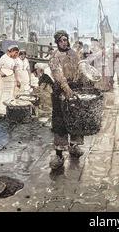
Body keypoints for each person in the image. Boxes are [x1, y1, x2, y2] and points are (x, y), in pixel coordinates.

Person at [49, 30, 87, 169]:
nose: (64, 43)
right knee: (61, 123)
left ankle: (74, 146)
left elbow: (80, 68)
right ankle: (59, 155)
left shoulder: (73, 53)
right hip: (61, 91)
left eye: (65, 40)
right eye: (61, 41)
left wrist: (84, 79)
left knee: (75, 119)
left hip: (75, 88)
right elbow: (57, 74)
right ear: (57, 42)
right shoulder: (55, 56)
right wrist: (66, 89)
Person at [0, 45, 19, 116]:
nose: (16, 55)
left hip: (11, 78)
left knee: (10, 93)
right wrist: (1, 73)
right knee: (1, 94)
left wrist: (17, 80)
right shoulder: (4, 58)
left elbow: (15, 70)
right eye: (15, 53)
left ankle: (8, 110)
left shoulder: (15, 59)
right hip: (3, 78)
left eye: (17, 53)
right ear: (11, 51)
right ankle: (0, 111)